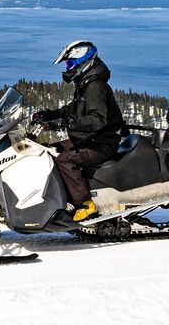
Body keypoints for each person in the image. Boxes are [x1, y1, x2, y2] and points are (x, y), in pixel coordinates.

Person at [33, 40, 126, 223]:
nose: (68, 68)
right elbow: (74, 109)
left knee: (65, 159)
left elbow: (97, 120)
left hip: (102, 143)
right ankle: (63, 198)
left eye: (70, 63)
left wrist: (64, 123)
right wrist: (52, 114)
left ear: (83, 62)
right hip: (93, 140)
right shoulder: (86, 84)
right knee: (50, 150)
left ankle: (85, 204)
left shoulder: (95, 87)